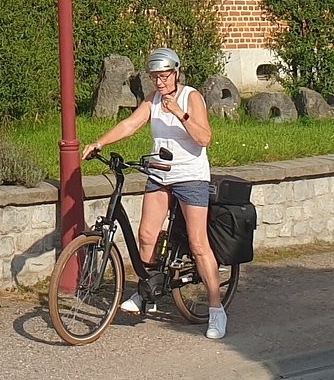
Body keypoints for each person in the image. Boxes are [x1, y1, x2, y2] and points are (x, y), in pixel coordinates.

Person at [83, 46, 228, 341]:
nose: (159, 82)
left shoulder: (191, 97)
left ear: (175, 73)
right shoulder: (152, 101)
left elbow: (205, 139)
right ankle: (145, 293)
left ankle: (216, 310)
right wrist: (99, 142)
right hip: (160, 176)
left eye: (164, 76)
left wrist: (180, 113)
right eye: (154, 77)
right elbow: (130, 124)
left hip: (191, 178)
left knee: (199, 244)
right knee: (147, 235)